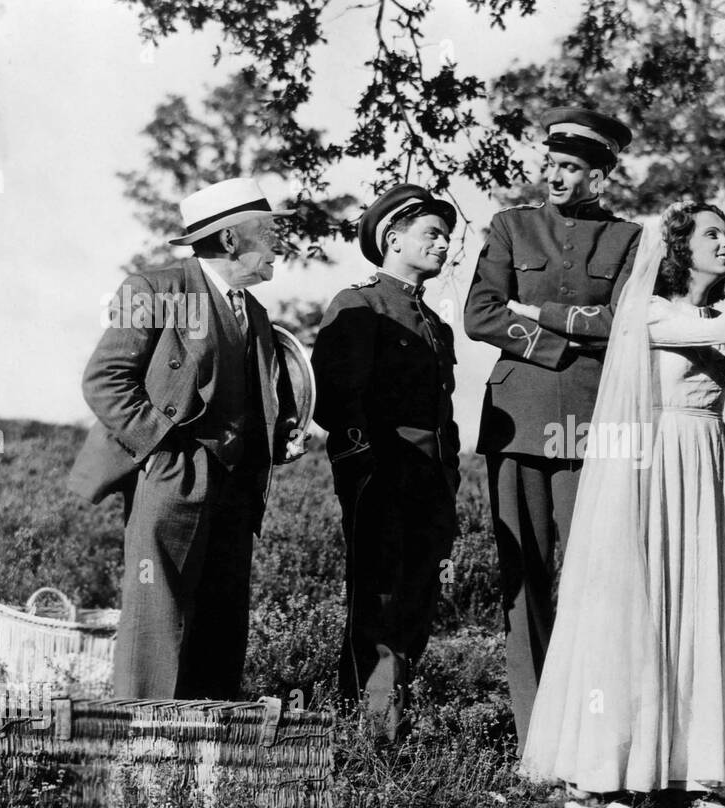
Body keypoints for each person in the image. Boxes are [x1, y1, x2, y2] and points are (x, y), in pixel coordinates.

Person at [518, 200, 725, 796]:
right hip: (659, 465)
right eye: (712, 234)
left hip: (708, 464)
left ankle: (695, 756)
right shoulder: (647, 312)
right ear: (679, 248)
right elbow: (720, 333)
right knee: (652, 599)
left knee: (703, 596)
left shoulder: (719, 313)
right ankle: (626, 757)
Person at [68, 176, 306, 700]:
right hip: (170, 476)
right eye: (267, 233)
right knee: (158, 615)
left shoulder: (258, 315)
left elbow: (255, 399)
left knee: (221, 621)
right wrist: (158, 448)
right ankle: (145, 748)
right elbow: (105, 379)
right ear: (229, 240)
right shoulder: (153, 289)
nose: (278, 246)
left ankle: (207, 757)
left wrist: (281, 437)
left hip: (237, 486)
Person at [464, 106, 642, 747]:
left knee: (599, 578)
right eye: (552, 165)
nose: (556, 178)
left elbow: (624, 322)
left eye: (571, 168)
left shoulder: (629, 239)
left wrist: (540, 311)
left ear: (600, 175)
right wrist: (558, 344)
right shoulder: (512, 227)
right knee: (525, 579)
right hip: (518, 423)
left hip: (597, 425)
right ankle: (535, 733)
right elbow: (480, 314)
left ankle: (595, 731)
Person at [311, 184, 461, 738]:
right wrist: (364, 468)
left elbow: (443, 414)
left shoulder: (435, 325)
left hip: (430, 481)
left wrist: (447, 477)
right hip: (383, 477)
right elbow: (335, 399)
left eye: (447, 236)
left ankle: (390, 727)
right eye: (431, 234)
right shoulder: (360, 304)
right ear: (392, 239)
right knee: (378, 602)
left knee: (417, 605)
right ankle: (369, 737)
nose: (443, 245)